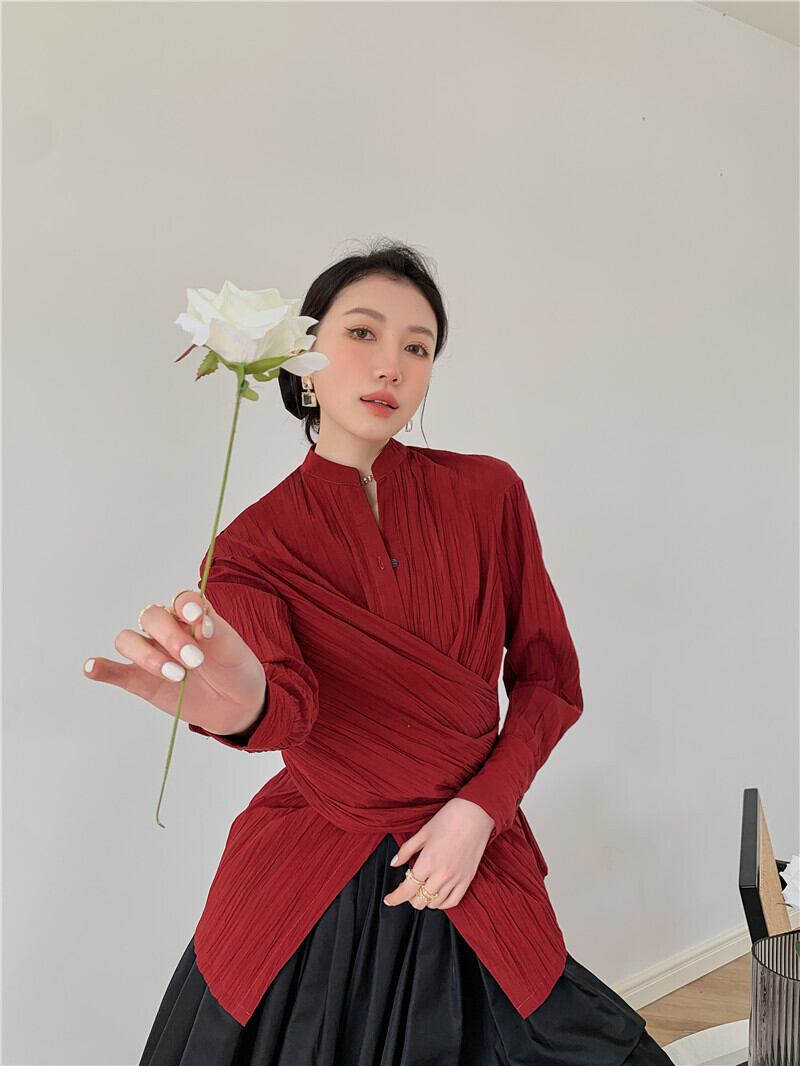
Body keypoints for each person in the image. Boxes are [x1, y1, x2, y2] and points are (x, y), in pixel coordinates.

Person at [86, 239, 674, 1065]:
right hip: (306, 878)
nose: (391, 364)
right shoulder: (249, 547)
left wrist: (479, 812)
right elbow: (285, 709)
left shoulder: (490, 494)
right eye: (362, 333)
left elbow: (550, 681)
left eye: (418, 347)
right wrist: (245, 707)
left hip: (472, 853)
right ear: (304, 361)